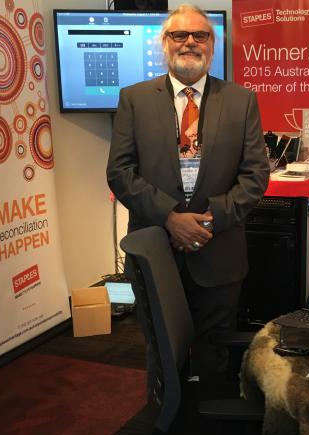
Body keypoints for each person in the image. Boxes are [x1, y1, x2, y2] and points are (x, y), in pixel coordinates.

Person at [106, 4, 269, 383]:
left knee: (214, 353)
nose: (190, 43)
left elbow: (256, 175)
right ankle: (166, 421)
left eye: (201, 36)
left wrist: (209, 220)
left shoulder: (242, 100)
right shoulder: (134, 98)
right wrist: (170, 218)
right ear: (164, 43)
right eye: (180, 35)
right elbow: (120, 171)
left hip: (219, 252)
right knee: (161, 349)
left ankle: (208, 425)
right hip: (156, 249)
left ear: (213, 45)